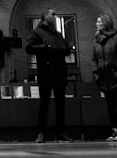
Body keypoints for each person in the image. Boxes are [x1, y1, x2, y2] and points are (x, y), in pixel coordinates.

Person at [25, 8, 74, 143]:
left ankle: (60, 133)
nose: (54, 15)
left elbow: (65, 49)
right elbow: (28, 48)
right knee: (44, 104)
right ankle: (41, 132)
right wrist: (44, 48)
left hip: (59, 72)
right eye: (52, 14)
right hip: (46, 73)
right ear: (44, 16)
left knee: (60, 104)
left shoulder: (58, 34)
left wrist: (63, 49)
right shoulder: (36, 32)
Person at [92, 14, 117, 141]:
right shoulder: (96, 40)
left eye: (98, 22)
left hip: (116, 75)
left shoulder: (116, 38)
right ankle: (114, 131)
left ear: (105, 23)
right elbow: (94, 59)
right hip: (104, 77)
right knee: (110, 106)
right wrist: (95, 72)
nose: (96, 24)